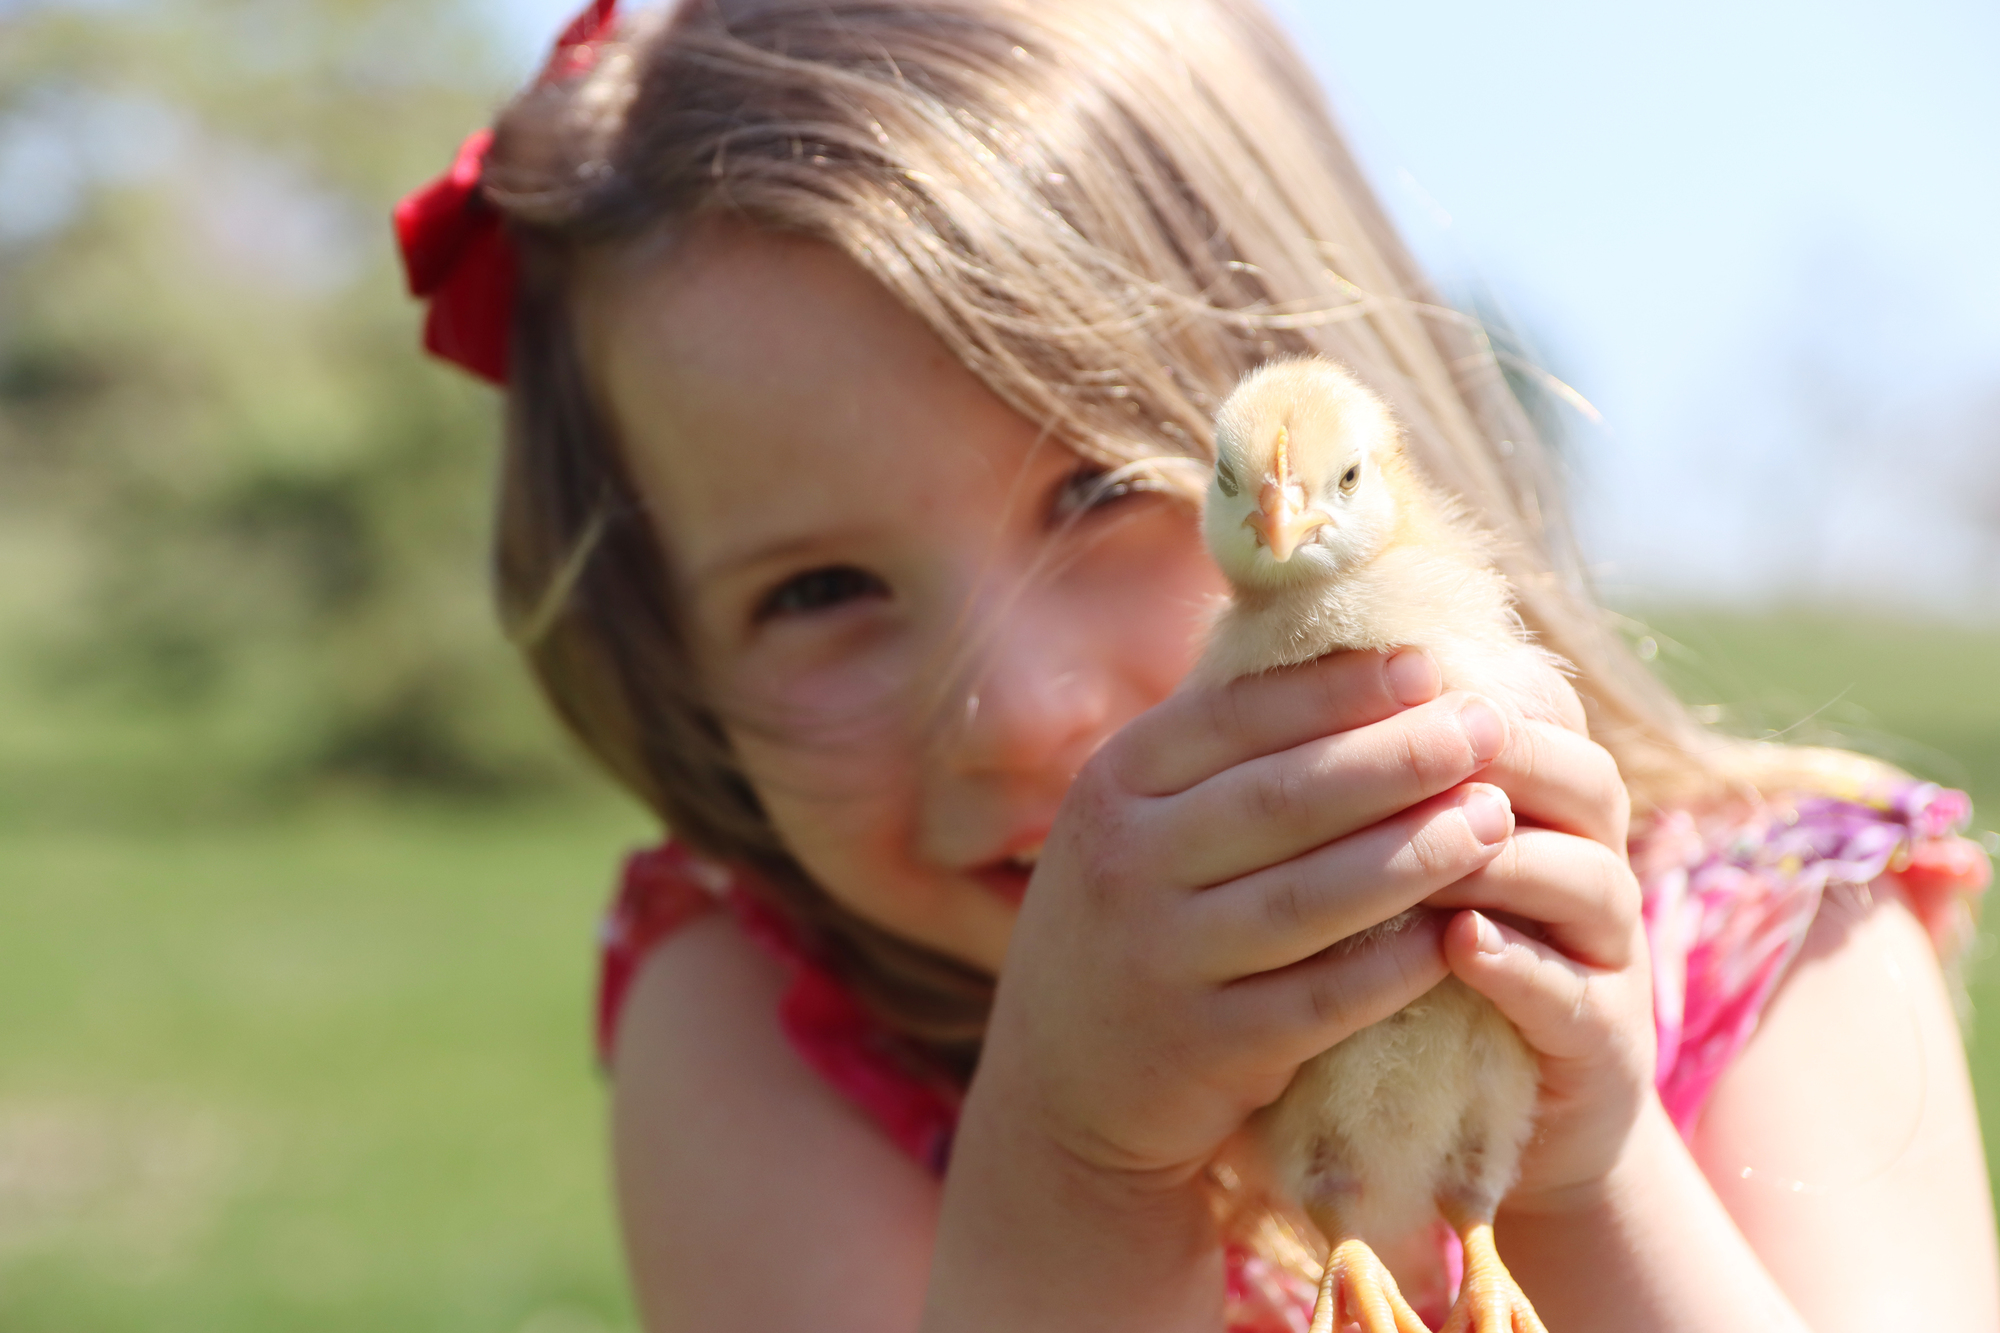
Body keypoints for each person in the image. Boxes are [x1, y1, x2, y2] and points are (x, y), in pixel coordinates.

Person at [393, 0, 1997, 1328]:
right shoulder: (754, 1022)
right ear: (667, 654)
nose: (1020, 716)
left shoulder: (1774, 932)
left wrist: (1584, 1172)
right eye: (818, 587)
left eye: (1100, 488)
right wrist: (1074, 1168)